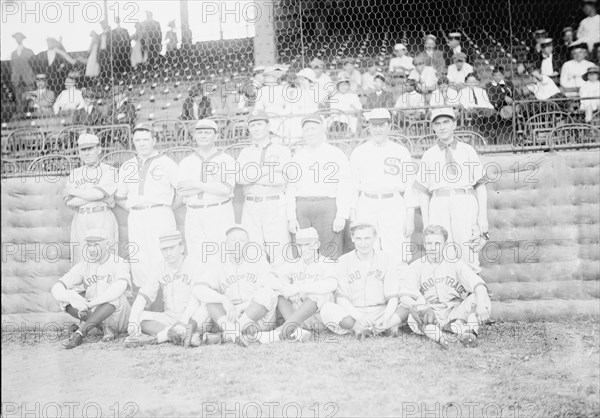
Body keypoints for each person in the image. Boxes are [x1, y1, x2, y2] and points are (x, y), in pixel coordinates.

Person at [414, 107, 489, 274]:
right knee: (443, 249)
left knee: (466, 246)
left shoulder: (467, 150)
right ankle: (450, 294)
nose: (442, 127)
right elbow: (423, 192)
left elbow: (480, 185)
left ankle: (474, 292)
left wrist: (483, 218)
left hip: (464, 199)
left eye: (446, 122)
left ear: (454, 124)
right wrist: (427, 223)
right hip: (439, 202)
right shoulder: (429, 154)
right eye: (438, 124)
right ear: (433, 127)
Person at [399, 224, 492, 349]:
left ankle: (470, 333)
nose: (433, 248)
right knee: (413, 317)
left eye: (437, 244)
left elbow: (479, 285)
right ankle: (444, 340)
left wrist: (480, 305)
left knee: (480, 297)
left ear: (445, 245)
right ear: (425, 245)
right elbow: (404, 297)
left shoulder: (455, 263)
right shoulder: (416, 267)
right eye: (429, 244)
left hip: (455, 309)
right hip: (431, 312)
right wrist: (419, 306)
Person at [191, 225, 282, 346]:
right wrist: (223, 300)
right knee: (210, 298)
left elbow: (272, 287)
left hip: (257, 318)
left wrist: (241, 307)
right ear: (226, 244)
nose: (237, 244)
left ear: (248, 244)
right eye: (233, 240)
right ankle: (234, 334)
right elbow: (197, 289)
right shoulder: (218, 264)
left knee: (267, 293)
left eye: (242, 240)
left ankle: (225, 335)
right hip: (229, 316)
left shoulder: (259, 261)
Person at [115, 123, 179, 288]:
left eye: (145, 139)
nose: (141, 143)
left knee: (162, 256)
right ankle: (146, 300)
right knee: (140, 258)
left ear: (154, 141)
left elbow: (183, 192)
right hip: (136, 216)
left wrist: (166, 209)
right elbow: (120, 196)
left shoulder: (166, 162)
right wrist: (135, 209)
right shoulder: (127, 166)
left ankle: (167, 298)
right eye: (138, 140)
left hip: (160, 214)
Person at [319, 221, 408, 339]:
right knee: (327, 308)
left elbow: (393, 297)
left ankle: (386, 325)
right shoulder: (343, 261)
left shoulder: (387, 259)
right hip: (354, 313)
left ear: (375, 238)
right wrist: (359, 317)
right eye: (359, 238)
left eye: (367, 238)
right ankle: (360, 328)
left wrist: (386, 318)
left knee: (407, 304)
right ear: (352, 238)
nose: (363, 243)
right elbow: (341, 299)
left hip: (381, 311)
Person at [349, 108, 417, 258]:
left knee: (398, 248)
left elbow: (409, 186)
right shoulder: (359, 152)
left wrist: (410, 216)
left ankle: (399, 279)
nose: (377, 129)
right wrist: (353, 215)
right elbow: (352, 186)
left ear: (389, 126)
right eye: (374, 125)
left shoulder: (401, 151)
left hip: (393, 202)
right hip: (366, 202)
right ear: (369, 127)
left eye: (381, 125)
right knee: (367, 248)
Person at [124, 230, 211, 347]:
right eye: (164, 249)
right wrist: (133, 320)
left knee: (205, 312)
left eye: (172, 248)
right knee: (140, 316)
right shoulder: (159, 267)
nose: (168, 253)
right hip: (169, 317)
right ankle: (181, 334)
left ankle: (162, 337)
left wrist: (184, 321)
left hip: (191, 316)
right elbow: (144, 294)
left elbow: (196, 298)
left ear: (181, 248)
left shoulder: (195, 265)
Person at [51, 229, 131, 349]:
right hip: (93, 318)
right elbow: (56, 288)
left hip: (118, 318)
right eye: (89, 245)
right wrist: (72, 299)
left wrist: (91, 304)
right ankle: (103, 327)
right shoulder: (84, 265)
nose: (92, 250)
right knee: (64, 299)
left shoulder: (120, 263)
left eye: (97, 245)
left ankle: (80, 334)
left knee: (115, 296)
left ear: (108, 244)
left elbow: (119, 288)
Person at [287, 114, 352, 260]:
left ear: (322, 130)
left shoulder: (336, 154)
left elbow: (344, 185)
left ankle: (330, 281)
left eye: (313, 128)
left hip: (327, 207)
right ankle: (307, 281)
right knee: (305, 251)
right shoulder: (297, 156)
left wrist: (342, 215)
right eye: (306, 130)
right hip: (303, 207)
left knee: (329, 251)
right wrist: (291, 217)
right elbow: (290, 188)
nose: (310, 132)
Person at [257, 227, 337, 344]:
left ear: (317, 245)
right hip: (298, 317)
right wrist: (286, 290)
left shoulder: (326, 262)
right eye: (300, 246)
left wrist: (298, 289)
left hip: (318, 318)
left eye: (308, 245)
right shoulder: (294, 263)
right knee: (277, 293)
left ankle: (281, 332)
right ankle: (297, 331)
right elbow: (268, 278)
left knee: (318, 294)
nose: (304, 249)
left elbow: (332, 284)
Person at [236, 110, 292, 265]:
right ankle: (259, 286)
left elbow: (283, 178)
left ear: (268, 125)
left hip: (273, 202)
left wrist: (253, 176)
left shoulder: (282, 150)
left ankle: (281, 285)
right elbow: (240, 178)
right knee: (253, 250)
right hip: (252, 203)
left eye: (259, 124)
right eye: (252, 125)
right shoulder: (245, 152)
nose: (256, 128)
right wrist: (268, 169)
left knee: (279, 249)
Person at [177, 119, 236, 260]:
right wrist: (212, 185)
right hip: (193, 212)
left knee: (221, 256)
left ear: (216, 136)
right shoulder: (187, 161)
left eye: (207, 133)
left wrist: (195, 184)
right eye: (200, 133)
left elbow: (226, 190)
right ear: (195, 136)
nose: (203, 136)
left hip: (218, 211)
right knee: (196, 258)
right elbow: (182, 191)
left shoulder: (226, 159)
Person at [63, 133, 119, 264]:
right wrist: (96, 196)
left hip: (102, 216)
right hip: (81, 219)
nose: (87, 153)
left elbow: (98, 194)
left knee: (106, 262)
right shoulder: (74, 173)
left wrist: (72, 191)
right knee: (81, 263)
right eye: (83, 149)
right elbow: (70, 202)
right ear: (79, 152)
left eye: (90, 148)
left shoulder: (109, 170)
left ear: (99, 149)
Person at [254, 64, 289, 137]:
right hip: (267, 116)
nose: (265, 79)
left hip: (282, 116)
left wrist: (285, 116)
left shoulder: (282, 89)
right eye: (265, 77)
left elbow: (288, 105)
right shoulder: (262, 91)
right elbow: (258, 107)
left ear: (275, 78)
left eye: (268, 77)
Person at [10, 32, 35, 113]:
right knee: (19, 99)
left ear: (22, 39)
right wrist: (13, 78)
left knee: (30, 98)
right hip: (17, 80)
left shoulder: (29, 51)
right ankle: (20, 115)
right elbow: (12, 67)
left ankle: (31, 114)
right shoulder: (13, 54)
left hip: (28, 79)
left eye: (20, 37)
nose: (18, 39)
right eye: (16, 38)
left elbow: (34, 65)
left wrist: (31, 77)